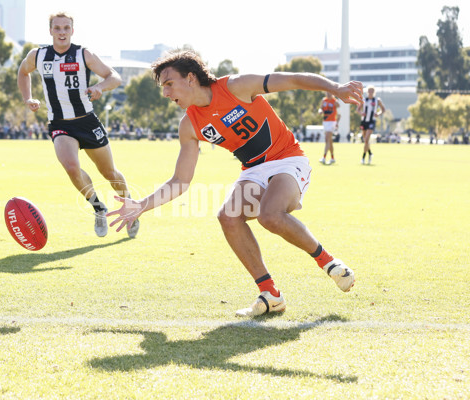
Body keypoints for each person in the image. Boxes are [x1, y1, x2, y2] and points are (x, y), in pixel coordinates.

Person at [108, 50, 361, 317]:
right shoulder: (189, 125)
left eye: (169, 84)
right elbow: (181, 180)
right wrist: (141, 206)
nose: (166, 93)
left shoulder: (236, 87)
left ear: (191, 78)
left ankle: (329, 263)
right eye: (163, 87)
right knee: (228, 216)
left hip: (288, 159)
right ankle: (270, 294)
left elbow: (294, 79)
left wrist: (335, 88)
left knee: (270, 215)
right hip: (253, 170)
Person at [17, 11, 139, 238]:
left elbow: (114, 76)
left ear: (72, 30)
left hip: (87, 121)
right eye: (57, 28)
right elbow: (23, 72)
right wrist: (28, 98)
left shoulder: (83, 54)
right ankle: (98, 207)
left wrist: (100, 87)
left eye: (66, 28)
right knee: (71, 166)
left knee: (109, 172)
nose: (62, 32)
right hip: (59, 124)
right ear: (50, 30)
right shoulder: (38, 55)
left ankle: (130, 206)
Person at [356, 85, 385, 164]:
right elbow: (358, 110)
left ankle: (363, 157)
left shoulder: (377, 100)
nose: (371, 92)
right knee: (365, 140)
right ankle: (370, 153)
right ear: (367, 92)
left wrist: (378, 113)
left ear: (374, 92)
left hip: (372, 121)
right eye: (369, 91)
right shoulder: (364, 100)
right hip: (364, 121)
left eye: (372, 91)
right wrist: (362, 113)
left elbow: (383, 109)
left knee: (367, 139)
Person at [318, 92, 339, 164]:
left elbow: (339, 108)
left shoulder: (335, 101)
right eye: (327, 93)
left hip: (332, 122)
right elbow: (321, 108)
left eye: (330, 93)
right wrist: (320, 111)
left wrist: (337, 122)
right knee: (329, 140)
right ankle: (332, 158)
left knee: (327, 139)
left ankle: (324, 157)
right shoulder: (324, 100)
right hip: (325, 121)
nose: (328, 94)